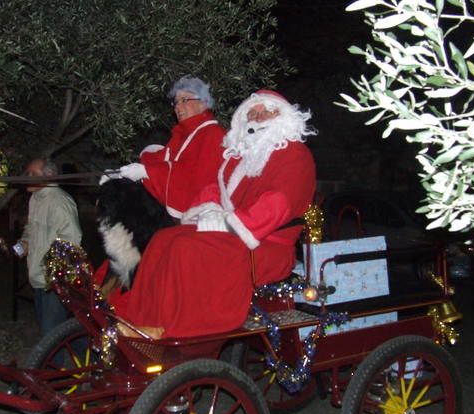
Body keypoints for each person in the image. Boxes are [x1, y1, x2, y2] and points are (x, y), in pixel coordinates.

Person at [111, 90, 317, 339]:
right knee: (164, 239)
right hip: (235, 236)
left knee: (185, 249)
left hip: (266, 245)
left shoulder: (296, 155)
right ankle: (140, 319)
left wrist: (228, 223)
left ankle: (174, 326)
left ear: (283, 117)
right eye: (252, 113)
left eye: (267, 112)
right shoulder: (240, 158)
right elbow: (214, 188)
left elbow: (278, 203)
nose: (258, 117)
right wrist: (208, 210)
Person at [104, 75, 226, 220]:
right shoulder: (184, 134)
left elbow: (194, 178)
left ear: (204, 103)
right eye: (175, 102)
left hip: (205, 220)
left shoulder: (212, 134)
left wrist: (146, 171)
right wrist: (121, 174)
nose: (178, 107)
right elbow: (163, 160)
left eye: (185, 100)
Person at [16, 158, 82, 337]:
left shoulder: (60, 202)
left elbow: (71, 239)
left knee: (51, 333)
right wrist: (23, 244)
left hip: (53, 281)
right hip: (38, 277)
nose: (27, 178)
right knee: (55, 331)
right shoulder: (35, 198)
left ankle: (55, 365)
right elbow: (31, 228)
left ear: (50, 176)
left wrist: (54, 271)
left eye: (32, 174)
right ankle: (89, 357)